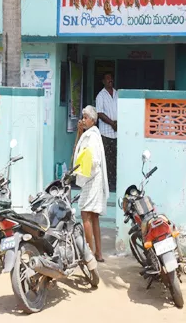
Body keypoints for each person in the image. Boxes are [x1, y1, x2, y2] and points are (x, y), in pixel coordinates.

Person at [73, 105, 109, 262]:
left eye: (86, 117)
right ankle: (98, 253)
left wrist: (84, 170)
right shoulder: (89, 134)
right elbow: (77, 149)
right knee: (93, 216)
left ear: (93, 120)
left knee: (85, 214)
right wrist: (79, 131)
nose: (83, 120)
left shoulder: (92, 136)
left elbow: (93, 160)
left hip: (92, 178)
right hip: (91, 177)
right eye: (83, 117)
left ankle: (89, 253)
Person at [95, 72, 118, 191]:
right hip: (106, 133)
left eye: (111, 78)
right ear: (103, 81)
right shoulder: (101, 96)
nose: (110, 80)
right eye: (108, 78)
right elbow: (99, 113)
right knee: (107, 159)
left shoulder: (117, 94)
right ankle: (107, 184)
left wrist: (117, 124)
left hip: (117, 133)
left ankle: (114, 181)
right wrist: (112, 123)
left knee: (116, 159)